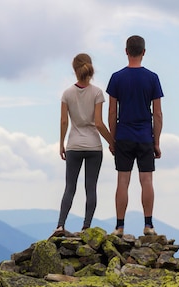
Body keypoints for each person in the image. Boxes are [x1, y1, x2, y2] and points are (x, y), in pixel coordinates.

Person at [106, 35, 164, 237]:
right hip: (145, 136)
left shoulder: (116, 78)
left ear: (126, 51)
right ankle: (148, 225)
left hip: (124, 135)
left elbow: (112, 112)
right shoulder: (152, 78)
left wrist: (113, 138)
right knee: (146, 180)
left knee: (123, 180)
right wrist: (156, 142)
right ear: (144, 52)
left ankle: (119, 226)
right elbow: (157, 113)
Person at [51, 53, 114, 238]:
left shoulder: (67, 94)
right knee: (90, 187)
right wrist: (112, 143)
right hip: (94, 146)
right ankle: (86, 227)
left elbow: (64, 122)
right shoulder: (97, 93)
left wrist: (61, 144)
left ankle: (60, 225)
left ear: (74, 69)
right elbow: (100, 123)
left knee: (70, 187)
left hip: (74, 145)